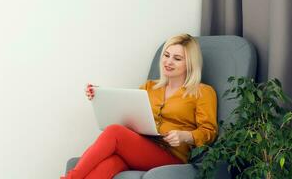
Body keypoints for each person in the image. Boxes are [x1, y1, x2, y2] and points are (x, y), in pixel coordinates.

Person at [61, 34, 218, 179]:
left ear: (190, 64)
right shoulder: (149, 87)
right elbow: (127, 111)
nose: (168, 62)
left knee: (114, 131)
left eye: (177, 58)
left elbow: (209, 132)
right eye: (166, 55)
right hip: (141, 148)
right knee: (110, 164)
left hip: (172, 155)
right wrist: (99, 95)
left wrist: (185, 136)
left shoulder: (202, 92)